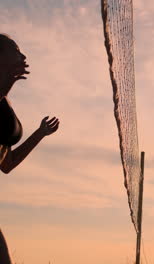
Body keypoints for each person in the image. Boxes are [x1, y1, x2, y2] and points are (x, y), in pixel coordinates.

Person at [0, 34, 60, 264]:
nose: (23, 55)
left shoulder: (6, 105)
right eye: (15, 49)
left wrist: (39, 133)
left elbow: (7, 164)